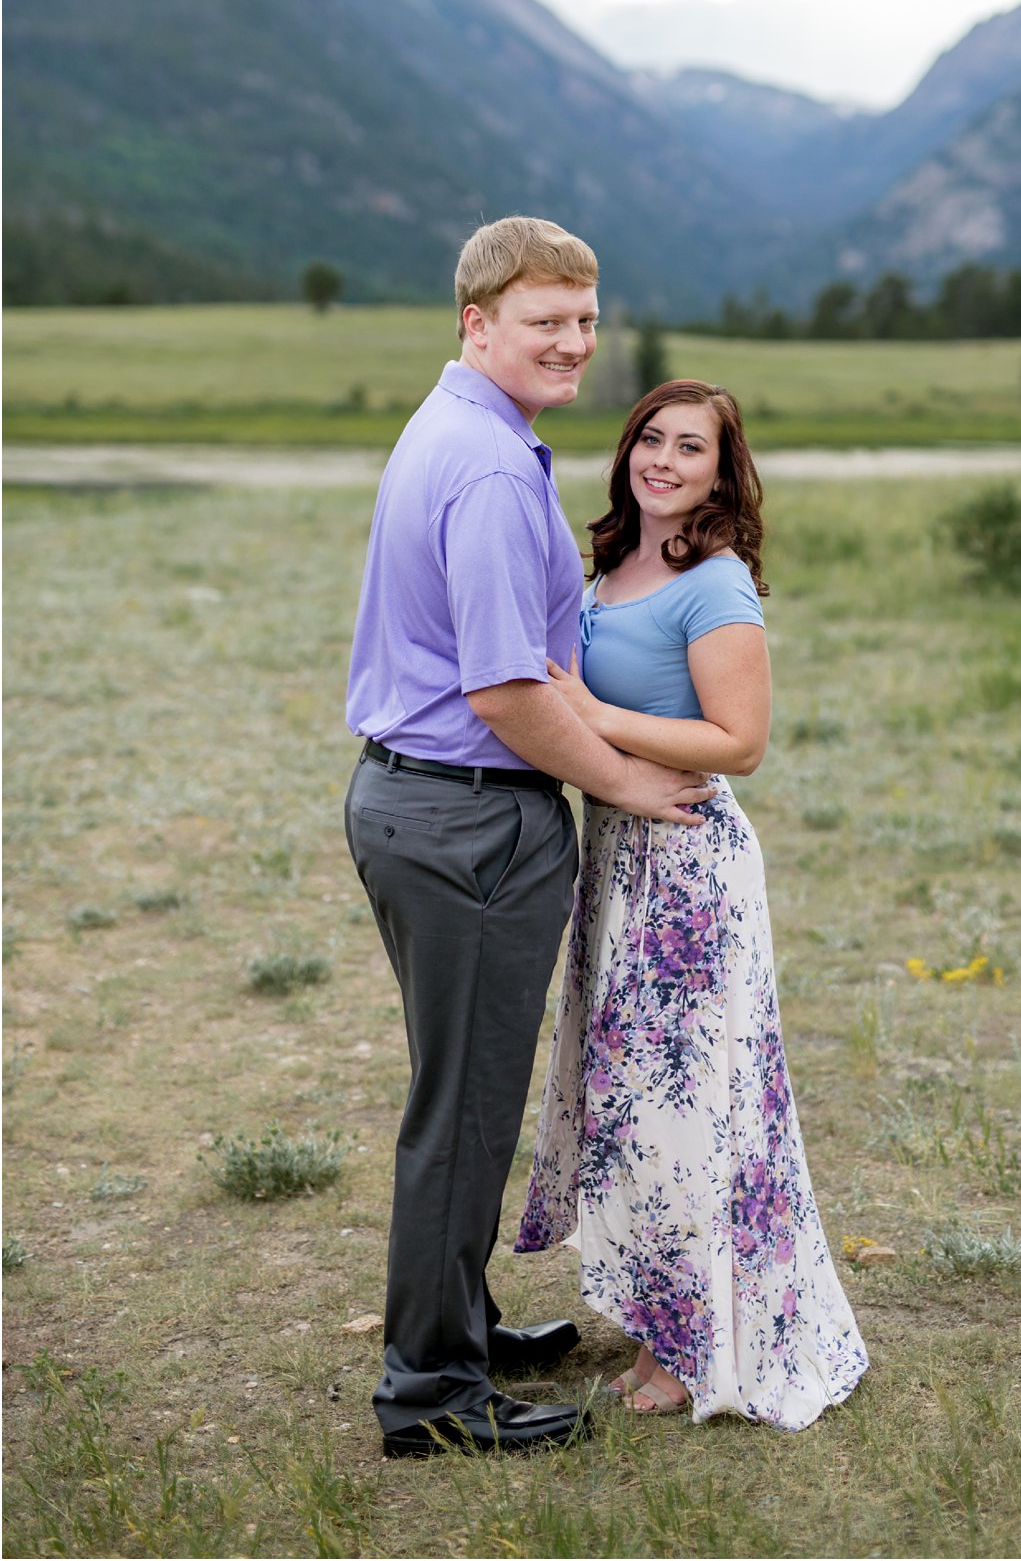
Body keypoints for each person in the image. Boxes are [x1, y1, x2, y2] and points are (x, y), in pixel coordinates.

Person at [345, 217, 717, 1459]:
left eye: (585, 316)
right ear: (476, 321)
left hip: (420, 807)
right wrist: (624, 779)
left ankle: (460, 1327)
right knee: (463, 1113)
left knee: (459, 1095)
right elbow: (508, 691)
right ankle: (431, 1393)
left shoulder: (456, 428)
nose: (573, 339)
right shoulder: (497, 469)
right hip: (468, 824)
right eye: (544, 318)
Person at [513, 379, 870, 1427]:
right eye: (650, 439)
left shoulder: (715, 584)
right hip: (616, 854)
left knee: (685, 1110)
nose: (664, 460)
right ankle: (669, 1315)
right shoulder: (617, 563)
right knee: (632, 1106)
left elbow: (740, 744)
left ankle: (690, 1350)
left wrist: (589, 709)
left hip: (687, 872)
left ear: (722, 471)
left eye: (690, 447)